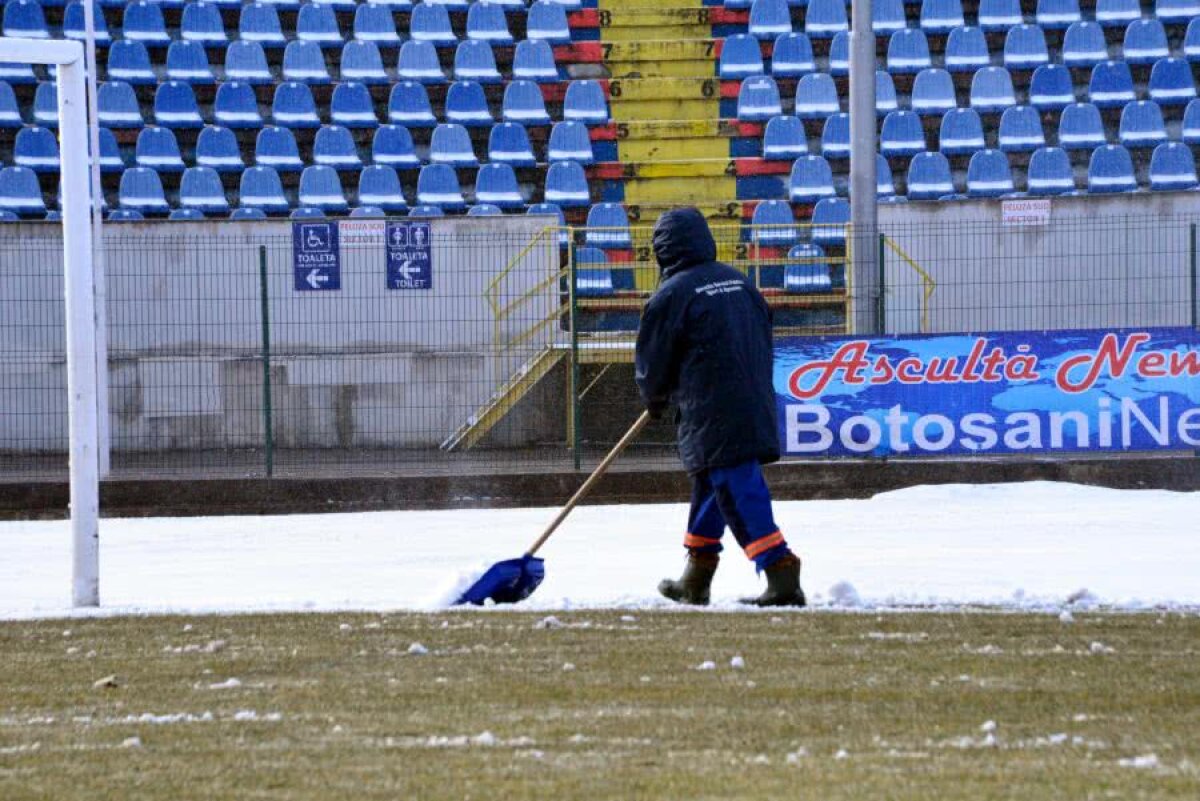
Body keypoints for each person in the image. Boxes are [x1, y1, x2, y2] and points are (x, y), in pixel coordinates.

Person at [634, 207, 806, 607]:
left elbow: (652, 359)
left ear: (662, 250)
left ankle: (780, 570)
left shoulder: (671, 294)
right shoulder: (740, 283)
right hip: (753, 399)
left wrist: (654, 397)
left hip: (711, 408)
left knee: (737, 487)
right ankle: (696, 577)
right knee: (712, 486)